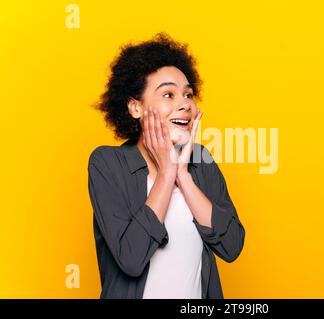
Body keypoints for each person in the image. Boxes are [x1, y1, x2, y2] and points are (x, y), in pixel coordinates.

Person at [87, 32, 245, 299]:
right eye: (168, 95)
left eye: (188, 95)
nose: (184, 104)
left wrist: (183, 176)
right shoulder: (107, 164)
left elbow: (232, 246)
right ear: (135, 108)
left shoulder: (201, 164)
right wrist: (166, 173)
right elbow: (131, 258)